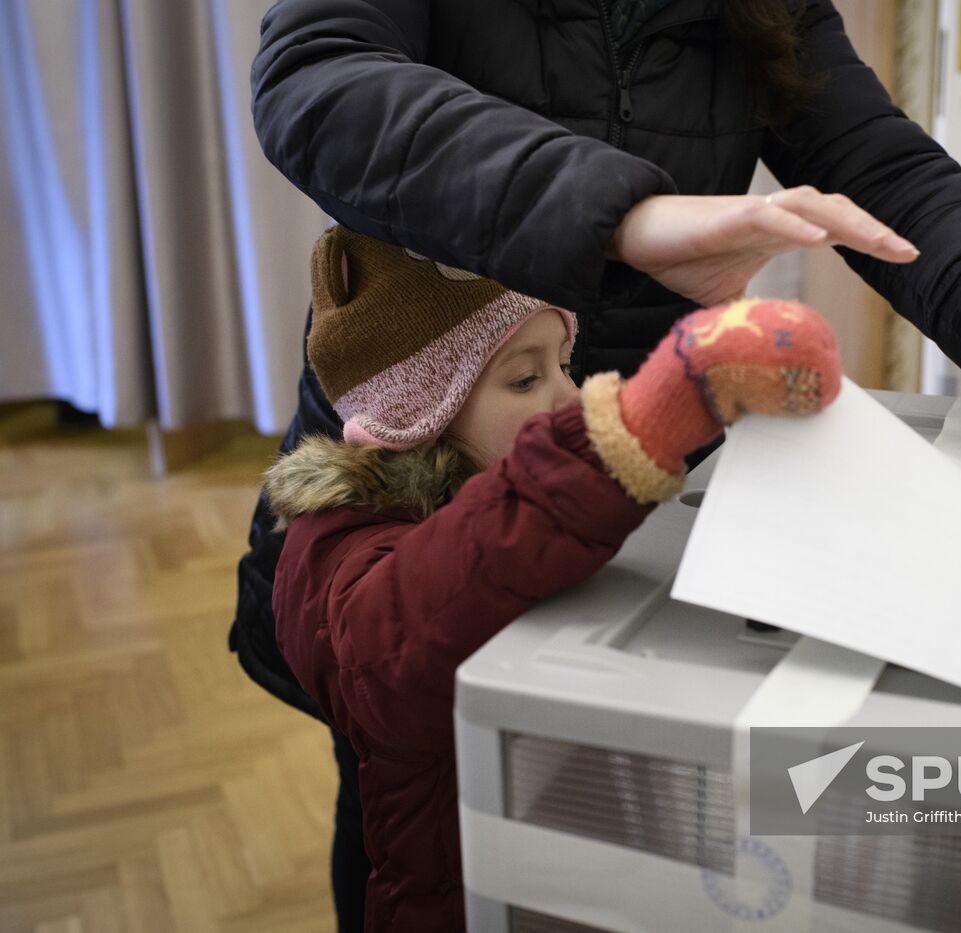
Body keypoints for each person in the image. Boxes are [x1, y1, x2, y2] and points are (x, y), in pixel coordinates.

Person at [233, 1, 961, 927]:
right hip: (438, 505)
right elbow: (316, 76)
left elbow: (876, 169)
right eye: (537, 374)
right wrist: (623, 216)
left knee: (607, 831)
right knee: (413, 827)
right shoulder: (363, 537)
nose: (563, 391)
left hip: (642, 507)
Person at [266, 224, 843, 931]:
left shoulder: (509, 504)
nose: (569, 397)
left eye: (563, 363)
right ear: (418, 419)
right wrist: (634, 428)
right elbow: (398, 639)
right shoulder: (340, 546)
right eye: (525, 377)